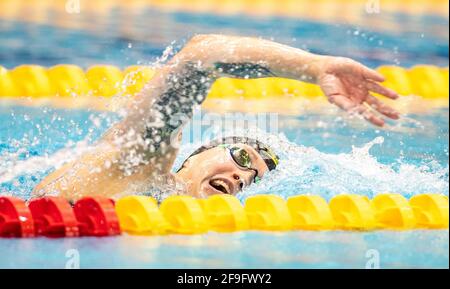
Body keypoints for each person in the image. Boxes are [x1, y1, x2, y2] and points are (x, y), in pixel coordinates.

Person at [32, 34, 399, 201]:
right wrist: (315, 66)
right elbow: (199, 56)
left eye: (253, 179)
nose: (243, 177)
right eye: (243, 158)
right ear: (195, 154)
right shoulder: (137, 165)